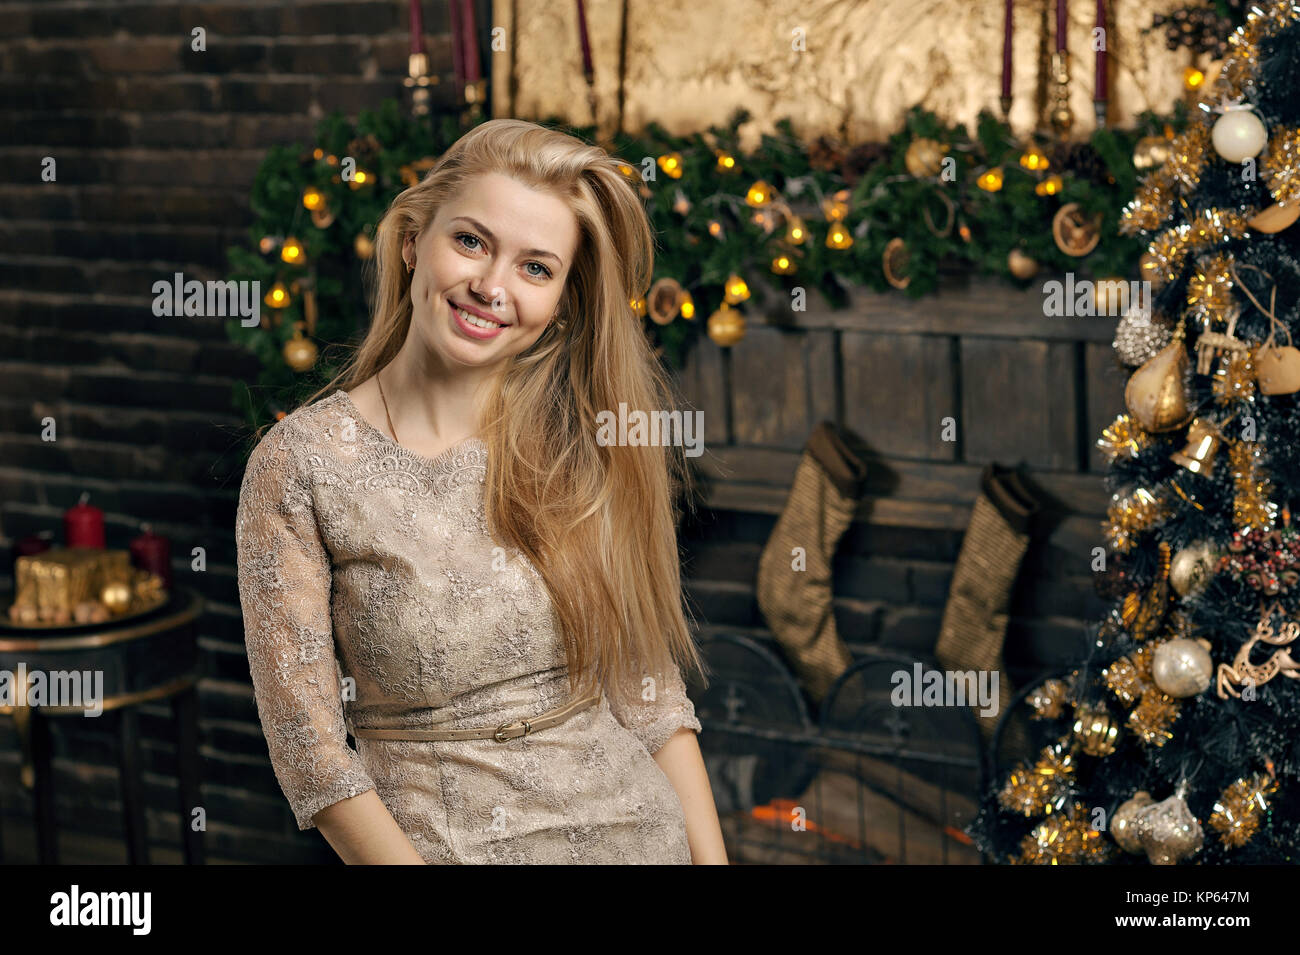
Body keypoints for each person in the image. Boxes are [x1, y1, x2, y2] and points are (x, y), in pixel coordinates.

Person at [234, 118, 728, 864]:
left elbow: (650, 698)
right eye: (471, 241)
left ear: (561, 299)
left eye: (536, 268)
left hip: (636, 834)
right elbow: (314, 760)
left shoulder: (580, 444)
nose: (492, 287)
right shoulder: (298, 466)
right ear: (412, 240)